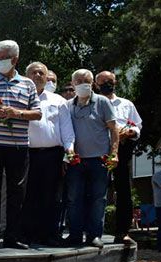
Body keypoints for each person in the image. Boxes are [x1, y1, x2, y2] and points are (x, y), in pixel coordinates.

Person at [0, 40, 42, 250]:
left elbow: (38, 113)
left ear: (15, 59)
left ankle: (12, 236)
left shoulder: (28, 84)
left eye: (3, 58)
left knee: (16, 192)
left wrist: (17, 113)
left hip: (18, 146)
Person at [65, 69, 119, 248]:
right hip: (76, 161)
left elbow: (114, 129)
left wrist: (114, 153)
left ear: (93, 83)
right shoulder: (67, 106)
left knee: (98, 199)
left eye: (86, 80)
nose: (82, 83)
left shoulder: (102, 102)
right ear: (73, 84)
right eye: (78, 81)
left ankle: (94, 235)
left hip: (99, 160)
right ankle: (74, 235)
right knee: (74, 198)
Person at [22, 62, 75, 246]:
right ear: (25, 76)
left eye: (41, 73)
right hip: (26, 154)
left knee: (52, 197)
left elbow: (67, 129)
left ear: (47, 77)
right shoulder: (19, 97)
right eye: (33, 72)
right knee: (28, 196)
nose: (37, 75)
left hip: (53, 154)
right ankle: (28, 234)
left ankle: (50, 235)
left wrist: (69, 150)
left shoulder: (57, 100)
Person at [95, 71, 143, 244]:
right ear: (96, 84)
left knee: (124, 191)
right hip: (97, 150)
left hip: (121, 151)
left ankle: (122, 231)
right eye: (103, 82)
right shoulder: (92, 103)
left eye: (110, 81)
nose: (107, 84)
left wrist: (130, 132)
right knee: (94, 190)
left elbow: (137, 126)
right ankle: (90, 231)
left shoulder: (126, 104)